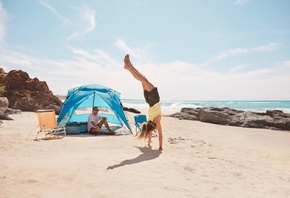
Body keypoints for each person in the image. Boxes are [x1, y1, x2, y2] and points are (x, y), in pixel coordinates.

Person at [124, 54, 163, 150]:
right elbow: (149, 133)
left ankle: (129, 67)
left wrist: (160, 147)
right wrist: (149, 143)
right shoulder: (149, 121)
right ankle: (129, 66)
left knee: (143, 79)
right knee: (143, 79)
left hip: (154, 99)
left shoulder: (156, 121)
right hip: (149, 101)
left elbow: (160, 136)